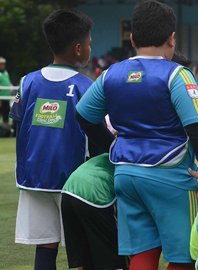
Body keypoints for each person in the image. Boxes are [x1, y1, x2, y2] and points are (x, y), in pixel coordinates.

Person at [75, 1, 198, 269]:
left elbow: (83, 116)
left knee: (142, 252)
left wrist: (111, 145)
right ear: (172, 39)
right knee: (184, 254)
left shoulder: (110, 74)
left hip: (126, 174)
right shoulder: (178, 75)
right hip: (171, 174)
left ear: (132, 38)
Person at [8, 9, 93, 269]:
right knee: (82, 247)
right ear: (78, 49)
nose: (91, 48)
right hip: (75, 180)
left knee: (45, 246)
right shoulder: (85, 87)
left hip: (34, 177)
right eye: (90, 43)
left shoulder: (27, 82)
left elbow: (18, 122)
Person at [61, 153, 127, 270]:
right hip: (97, 193)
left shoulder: (115, 150)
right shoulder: (142, 160)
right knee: (112, 261)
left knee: (84, 258)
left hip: (68, 190)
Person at [0, 56, 12, 124]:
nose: (2, 65)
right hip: (1, 98)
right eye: (1, 63)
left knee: (6, 114)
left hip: (7, 98)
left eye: (3, 63)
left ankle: (6, 130)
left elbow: (9, 83)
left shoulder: (6, 72)